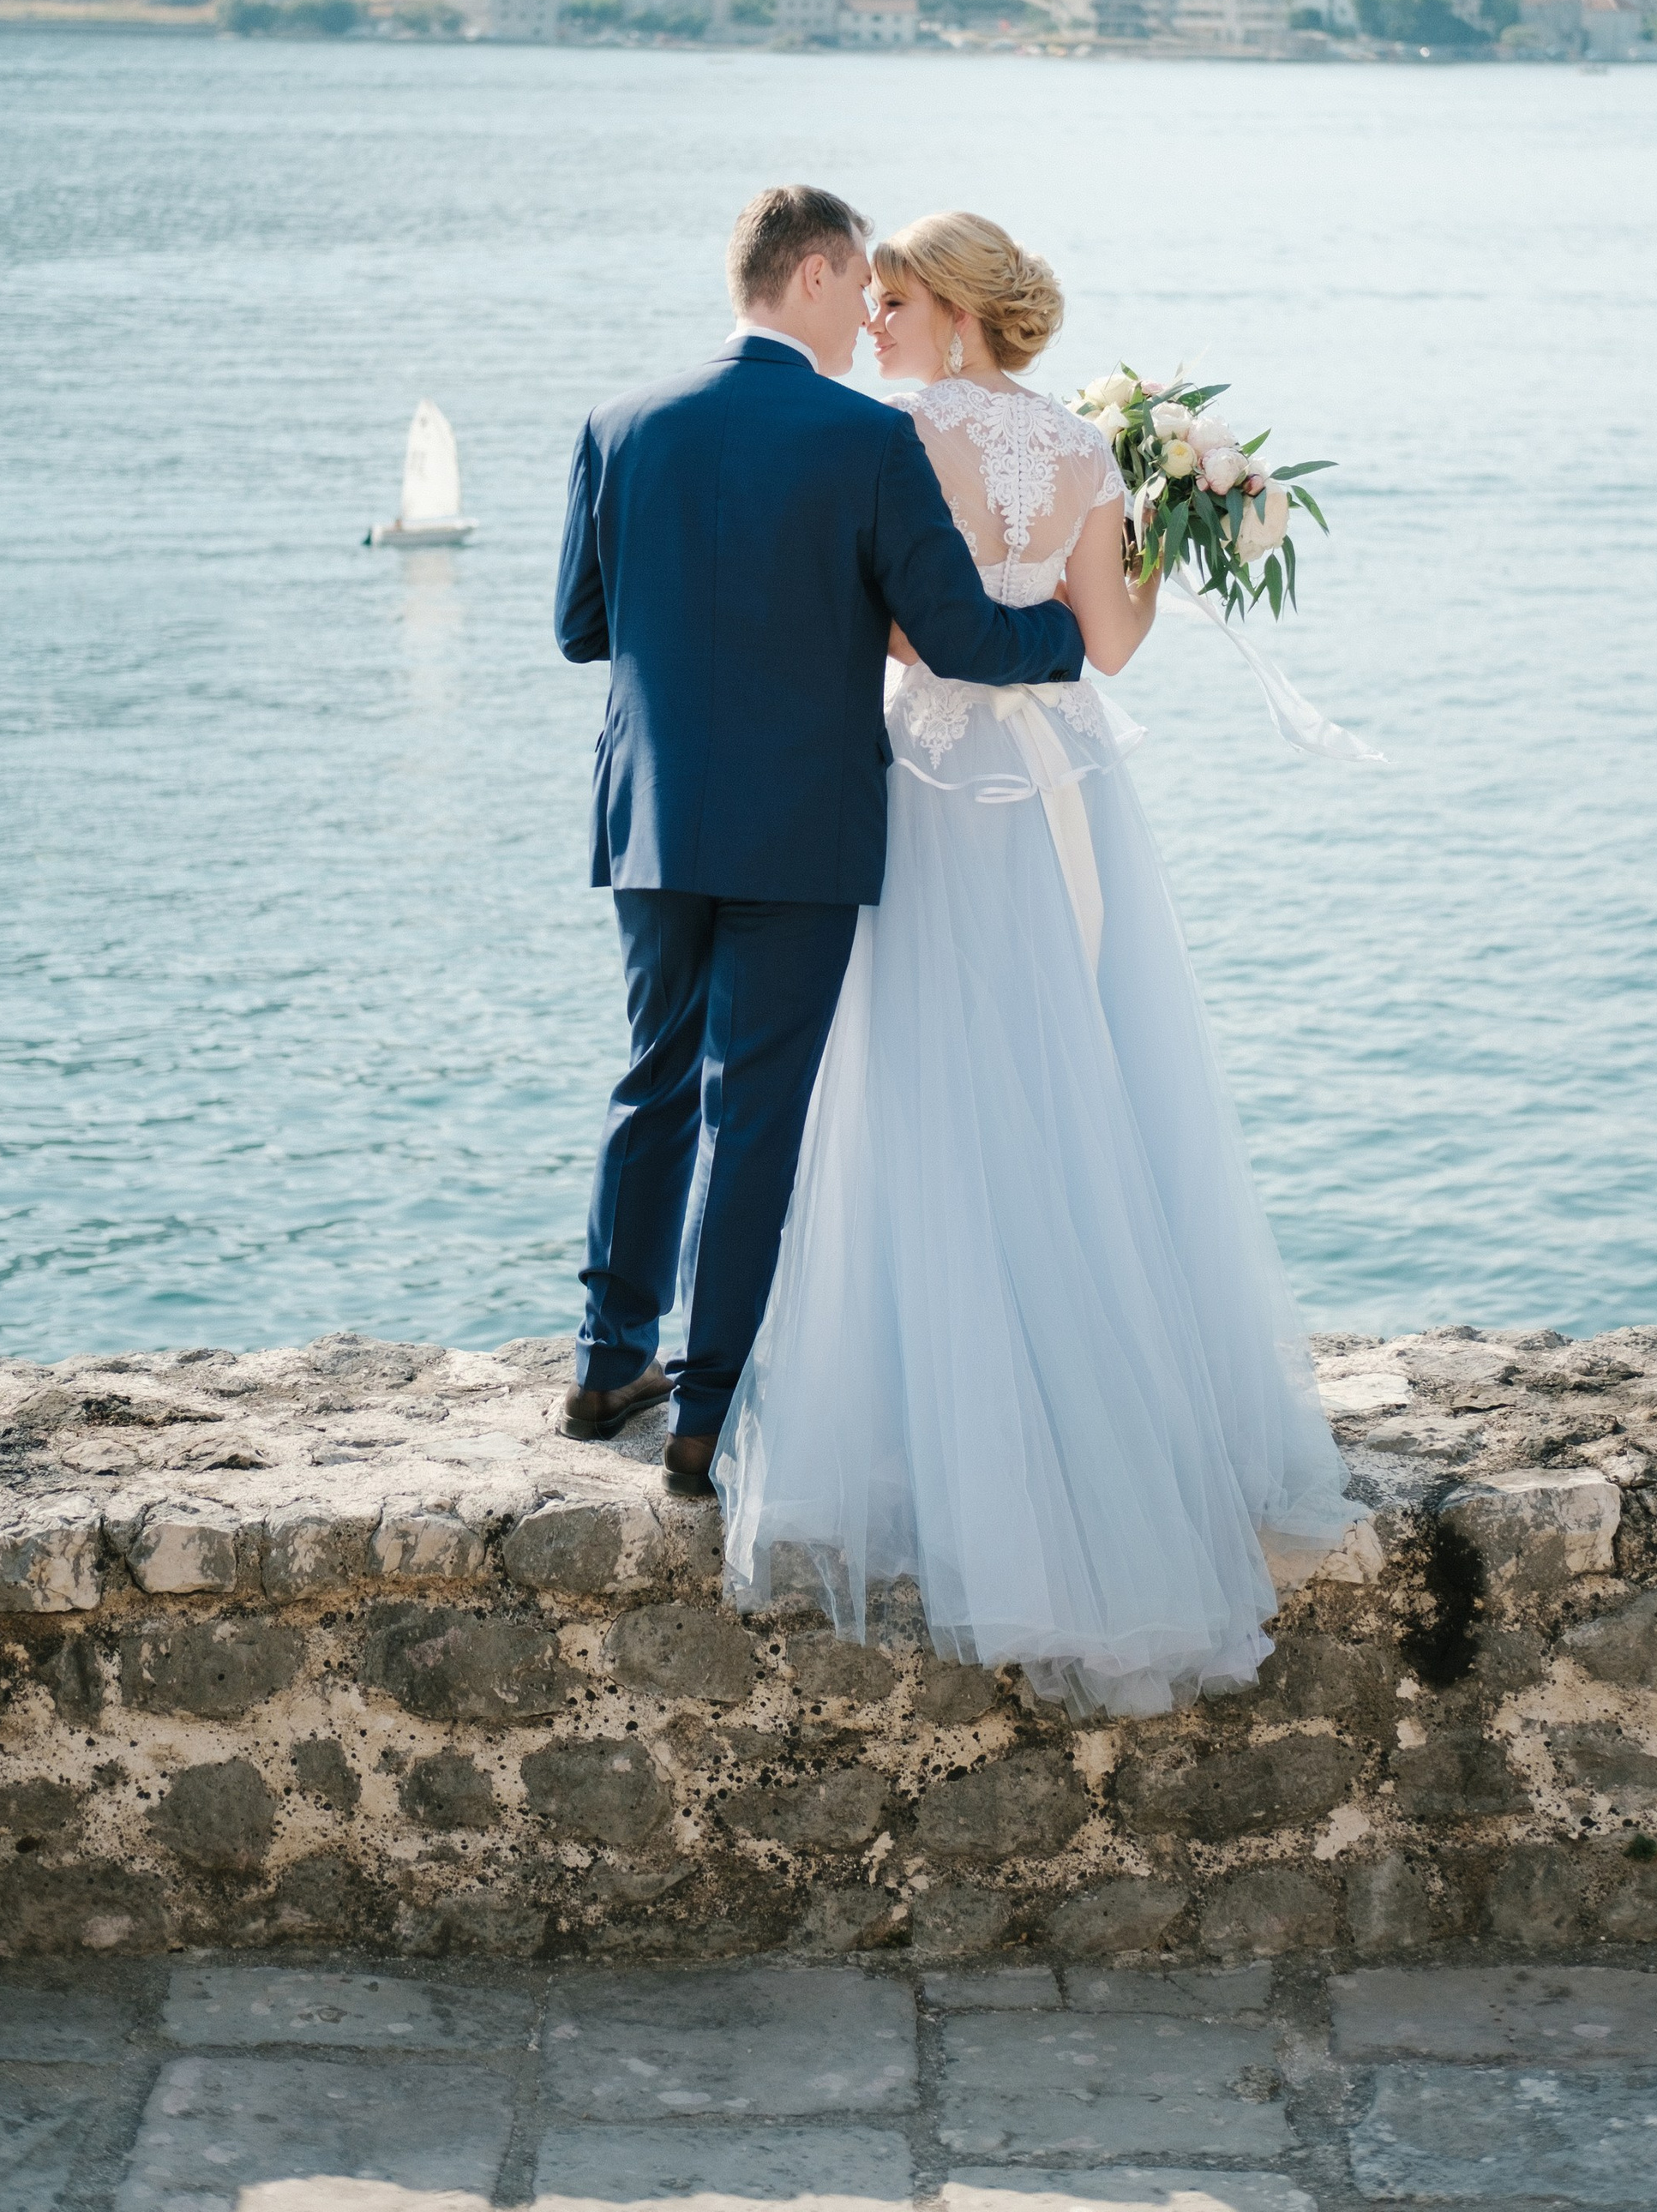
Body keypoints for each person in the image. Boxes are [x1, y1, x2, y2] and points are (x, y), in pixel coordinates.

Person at [713, 209, 1359, 1715]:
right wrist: (1185, 526)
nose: (870, 321)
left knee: (930, 1076)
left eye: (889, 298)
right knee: (1084, 1071)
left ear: (949, 305)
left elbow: (882, 629)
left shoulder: (882, 437)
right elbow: (1114, 643)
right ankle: (1133, 1419)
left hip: (940, 781)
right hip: (1067, 787)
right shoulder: (1082, 451)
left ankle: (955, 1440)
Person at [552, 185, 1086, 1496]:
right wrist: (1064, 637)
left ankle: (605, 1356)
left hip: (657, 817)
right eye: (859, 290)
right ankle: (705, 1413)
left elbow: (581, 627)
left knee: (653, 1081)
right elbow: (961, 636)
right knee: (757, 1114)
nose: (866, 317)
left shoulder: (619, 425)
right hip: (801, 823)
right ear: (814, 274)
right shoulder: (860, 442)